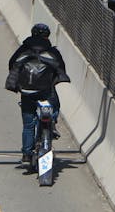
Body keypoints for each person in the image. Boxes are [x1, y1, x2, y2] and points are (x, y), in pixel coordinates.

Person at [6, 23, 70, 166]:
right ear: (47, 36)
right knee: (55, 105)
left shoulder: (24, 49)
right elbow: (61, 68)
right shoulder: (51, 51)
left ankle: (26, 155)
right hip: (44, 91)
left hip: (26, 92)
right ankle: (51, 124)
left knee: (28, 125)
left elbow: (12, 64)